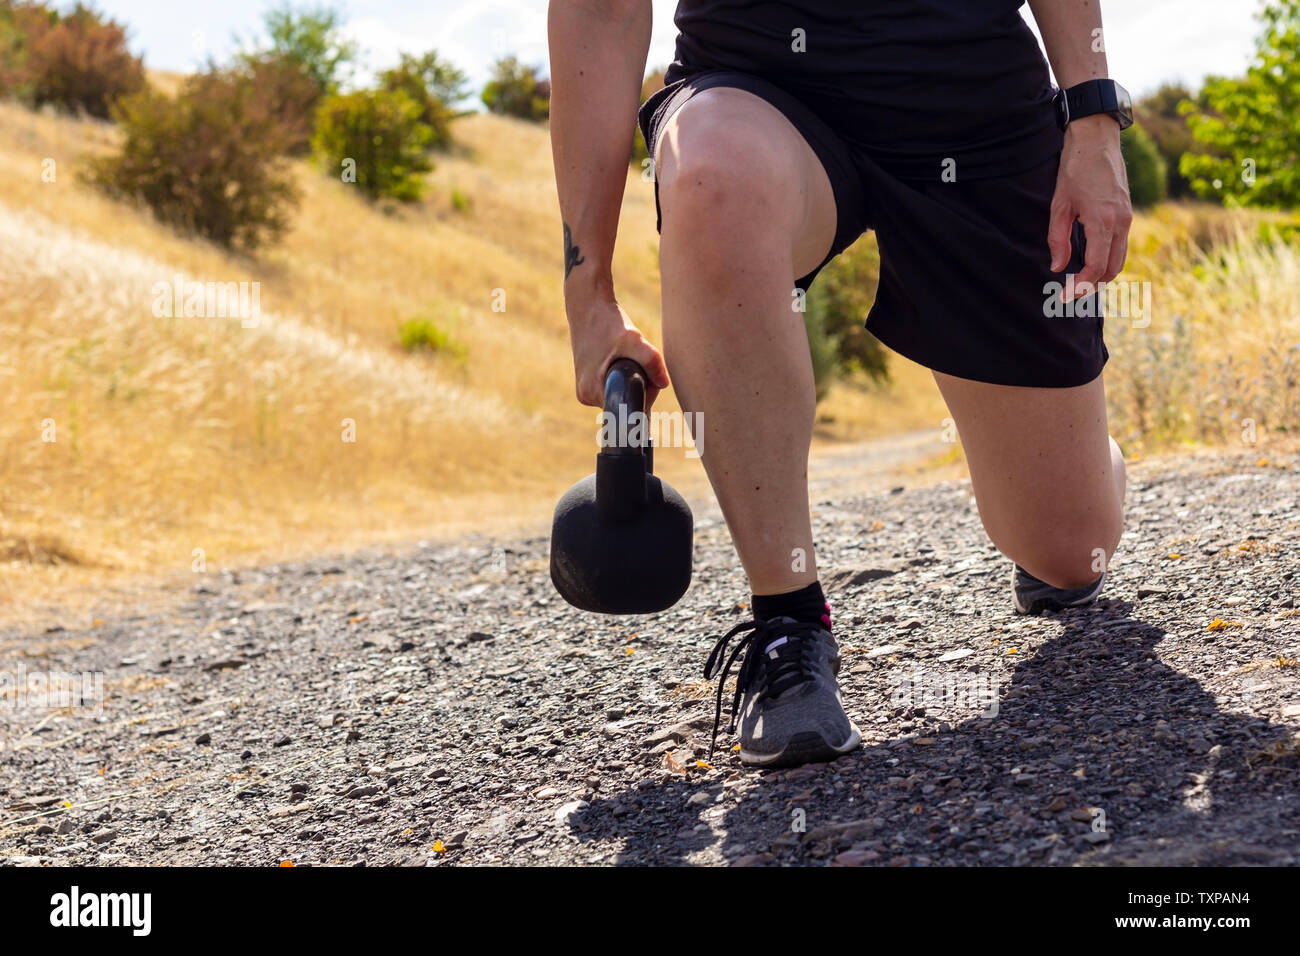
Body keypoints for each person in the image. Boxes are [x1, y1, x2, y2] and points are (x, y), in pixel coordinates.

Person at [548, 0, 1133, 768]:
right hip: (755, 82)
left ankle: (1071, 465)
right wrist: (589, 298)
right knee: (711, 176)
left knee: (1069, 549)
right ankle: (787, 623)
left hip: (971, 103)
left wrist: (1091, 120)